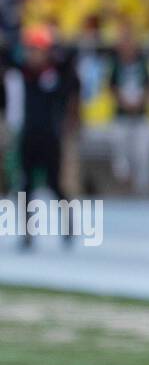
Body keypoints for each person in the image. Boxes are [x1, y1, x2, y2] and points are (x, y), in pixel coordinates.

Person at [13, 25, 78, 248]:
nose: (34, 55)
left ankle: (68, 227)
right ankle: (27, 233)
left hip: (50, 137)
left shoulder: (57, 74)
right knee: (25, 187)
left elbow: (72, 69)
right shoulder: (24, 73)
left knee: (54, 185)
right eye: (31, 50)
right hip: (29, 135)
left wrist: (57, 53)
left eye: (39, 50)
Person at [108, 30, 149, 194]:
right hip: (121, 115)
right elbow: (111, 88)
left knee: (143, 152)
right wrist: (123, 103)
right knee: (119, 149)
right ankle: (124, 181)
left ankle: (142, 188)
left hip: (141, 115)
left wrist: (141, 103)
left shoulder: (143, 63)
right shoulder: (115, 65)